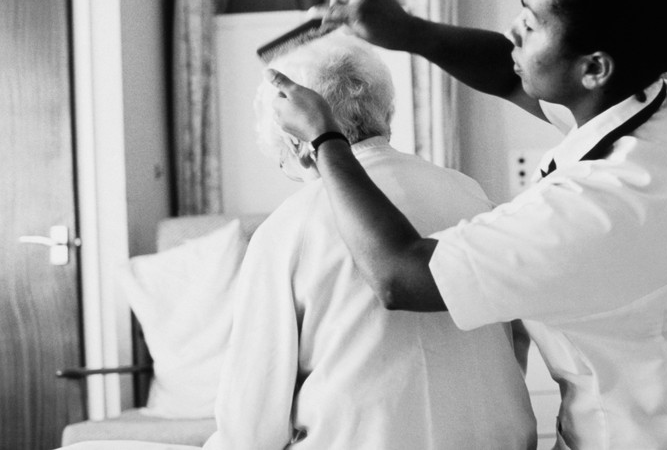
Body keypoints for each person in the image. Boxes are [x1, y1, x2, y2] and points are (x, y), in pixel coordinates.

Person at [272, 0, 667, 450]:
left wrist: (323, 137)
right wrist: (408, 30)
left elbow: (400, 276)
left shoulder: (598, 211)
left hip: (665, 433)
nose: (513, 32)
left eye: (531, 24)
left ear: (594, 67)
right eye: (521, 13)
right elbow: (511, 73)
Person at [59, 31, 536, 450]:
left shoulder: (288, 228)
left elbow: (251, 424)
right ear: (385, 110)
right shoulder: (470, 193)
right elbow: (514, 338)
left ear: (294, 142)